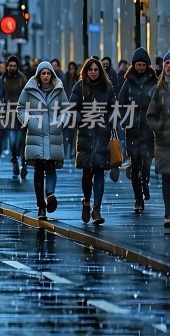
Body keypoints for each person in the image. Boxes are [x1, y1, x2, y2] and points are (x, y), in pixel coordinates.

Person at [17, 62, 68, 220]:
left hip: (53, 134)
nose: (46, 76)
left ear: (52, 74)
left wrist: (60, 122)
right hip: (36, 135)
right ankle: (41, 206)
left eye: (48, 73)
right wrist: (30, 122)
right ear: (38, 75)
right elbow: (20, 108)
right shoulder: (29, 89)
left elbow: (66, 109)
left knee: (51, 167)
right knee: (39, 170)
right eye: (43, 73)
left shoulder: (59, 89)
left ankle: (50, 194)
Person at [70, 57, 115, 225]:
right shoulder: (79, 87)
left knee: (100, 171)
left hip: (102, 134)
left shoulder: (107, 87)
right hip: (86, 134)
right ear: (86, 71)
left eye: (96, 69)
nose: (94, 72)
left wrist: (109, 120)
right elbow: (72, 107)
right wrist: (80, 118)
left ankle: (97, 207)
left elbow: (113, 107)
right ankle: (87, 201)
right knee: (87, 172)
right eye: (91, 70)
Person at [118, 48, 157, 213]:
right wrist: (125, 119)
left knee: (146, 164)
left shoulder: (154, 83)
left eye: (143, 65)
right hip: (132, 129)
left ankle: (145, 185)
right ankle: (138, 200)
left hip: (148, 130)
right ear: (133, 66)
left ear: (147, 65)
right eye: (138, 65)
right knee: (135, 165)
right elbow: (120, 103)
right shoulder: (128, 83)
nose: (140, 68)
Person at [146, 49, 170, 227]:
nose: (168, 66)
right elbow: (150, 116)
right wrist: (159, 128)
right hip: (165, 143)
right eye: (166, 63)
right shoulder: (159, 90)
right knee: (167, 180)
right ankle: (169, 214)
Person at [0, 55, 29, 179]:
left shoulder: (22, 79)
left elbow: (29, 95)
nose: (12, 68)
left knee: (22, 141)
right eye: (10, 66)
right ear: (7, 66)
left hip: (22, 114)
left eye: (14, 66)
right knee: (13, 141)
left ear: (17, 67)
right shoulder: (1, 80)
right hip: (8, 115)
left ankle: (23, 164)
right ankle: (14, 161)